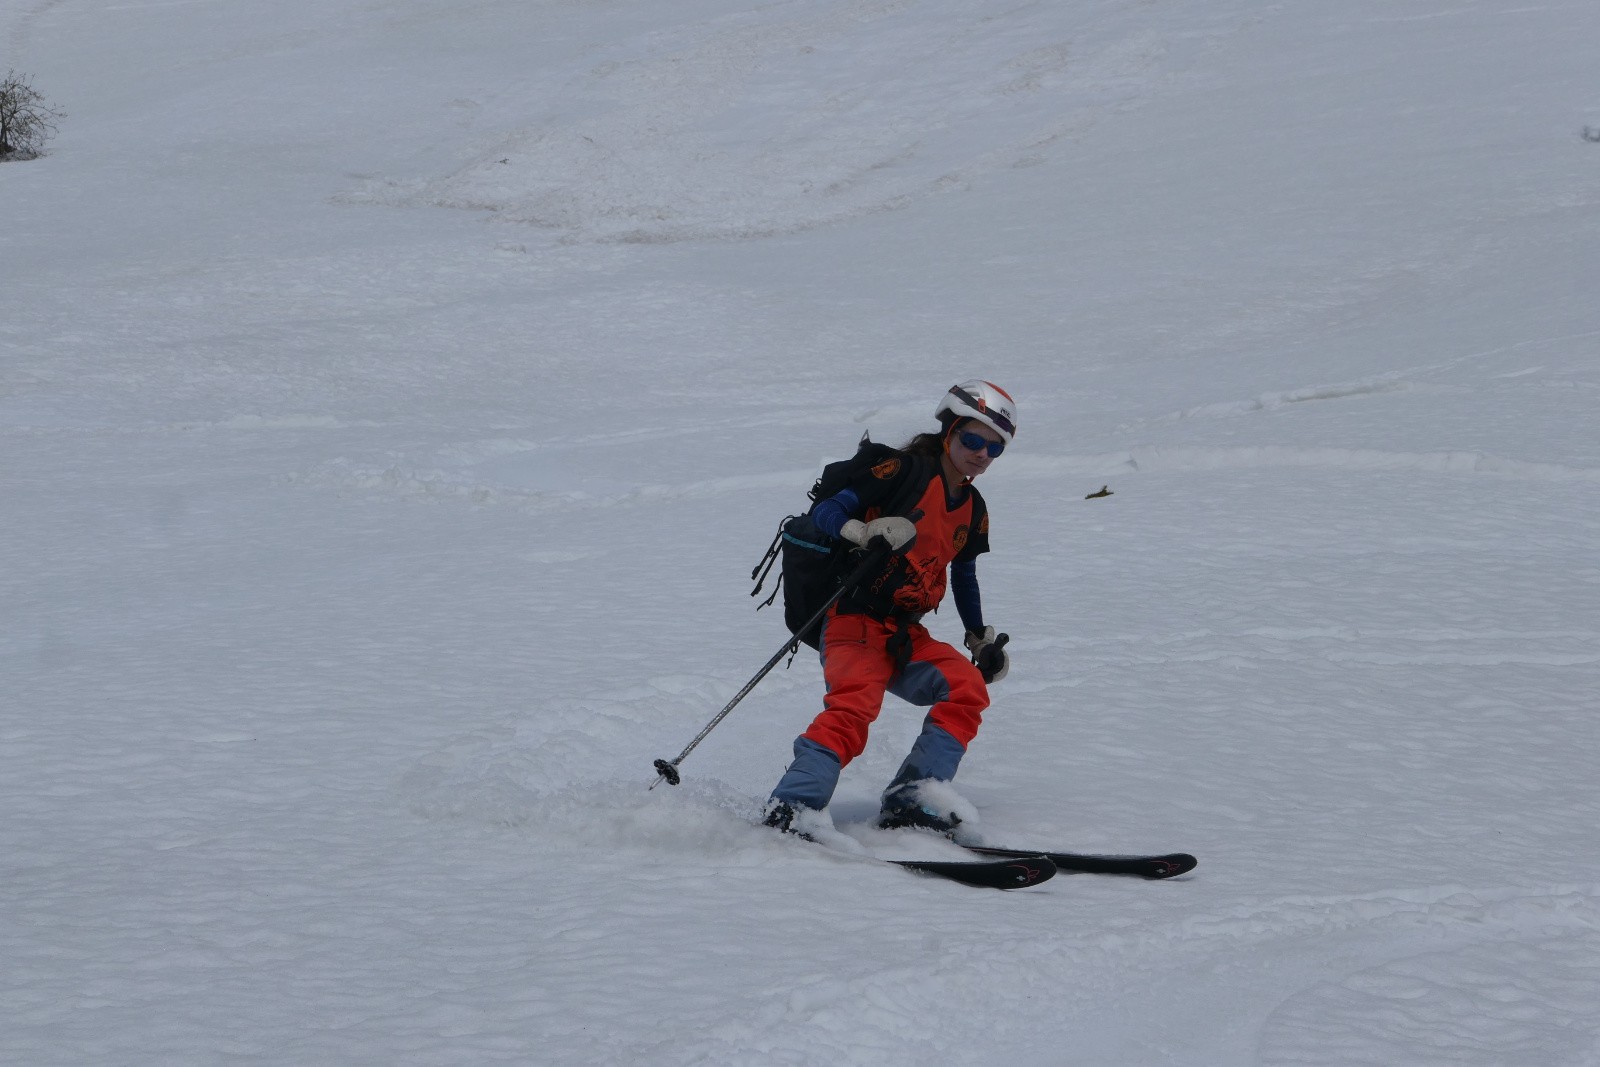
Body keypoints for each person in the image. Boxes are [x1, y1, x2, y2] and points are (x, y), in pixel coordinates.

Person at [763, 380, 1017, 839]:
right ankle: (793, 806)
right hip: (853, 617)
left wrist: (978, 638)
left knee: (966, 688)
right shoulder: (900, 471)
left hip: (903, 630)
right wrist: (861, 532)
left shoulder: (974, 508)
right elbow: (825, 511)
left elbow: (963, 575)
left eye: (994, 448)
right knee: (854, 706)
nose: (981, 453)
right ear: (949, 431)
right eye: (972, 439)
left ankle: (914, 797)